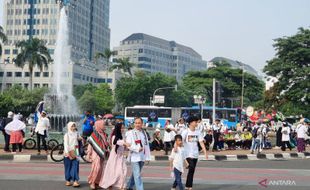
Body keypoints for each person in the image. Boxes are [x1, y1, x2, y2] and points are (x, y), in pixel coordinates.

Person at [181, 116, 208, 190]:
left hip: (195, 154)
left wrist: (205, 152)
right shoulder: (185, 131)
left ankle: (188, 186)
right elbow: (180, 141)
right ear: (190, 123)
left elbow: (201, 142)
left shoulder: (198, 132)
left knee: (192, 170)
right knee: (191, 168)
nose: (196, 123)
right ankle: (188, 186)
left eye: (197, 122)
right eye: (195, 122)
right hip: (187, 154)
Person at [101, 122, 130, 190]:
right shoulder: (114, 137)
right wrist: (125, 143)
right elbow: (117, 142)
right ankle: (112, 184)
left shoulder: (122, 137)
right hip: (115, 157)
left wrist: (127, 146)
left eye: (123, 128)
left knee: (123, 170)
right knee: (115, 172)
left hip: (121, 157)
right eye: (121, 128)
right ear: (118, 128)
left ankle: (121, 185)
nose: (123, 129)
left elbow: (123, 145)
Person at [126, 117, 151, 190]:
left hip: (142, 157)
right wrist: (137, 149)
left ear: (142, 124)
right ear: (134, 124)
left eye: (139, 123)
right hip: (134, 157)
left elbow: (146, 146)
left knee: (135, 174)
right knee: (137, 175)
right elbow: (128, 145)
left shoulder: (144, 133)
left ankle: (129, 186)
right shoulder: (130, 133)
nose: (137, 124)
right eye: (136, 123)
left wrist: (148, 157)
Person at [87, 117, 110, 189]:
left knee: (101, 169)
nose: (104, 126)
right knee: (96, 168)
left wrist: (107, 149)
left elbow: (106, 143)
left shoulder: (104, 134)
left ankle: (97, 182)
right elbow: (90, 145)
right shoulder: (94, 134)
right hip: (95, 154)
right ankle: (92, 182)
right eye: (103, 125)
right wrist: (88, 153)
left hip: (102, 153)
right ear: (99, 125)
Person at [63, 122, 80, 187]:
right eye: (72, 126)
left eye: (74, 126)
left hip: (76, 150)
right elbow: (66, 145)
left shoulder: (77, 133)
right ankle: (68, 180)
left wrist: (80, 139)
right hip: (68, 152)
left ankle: (76, 181)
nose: (73, 127)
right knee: (68, 166)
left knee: (76, 165)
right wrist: (68, 153)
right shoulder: (66, 135)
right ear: (69, 127)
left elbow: (80, 140)